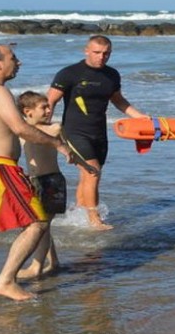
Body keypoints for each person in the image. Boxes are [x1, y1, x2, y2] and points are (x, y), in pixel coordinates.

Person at [0, 44, 71, 301]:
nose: (18, 63)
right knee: (38, 221)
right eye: (13, 58)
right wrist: (57, 143)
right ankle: (6, 281)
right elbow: (20, 128)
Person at [48, 35, 148, 230]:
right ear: (86, 50)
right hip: (74, 131)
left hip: (99, 133)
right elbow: (50, 101)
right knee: (93, 172)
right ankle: (94, 220)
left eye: (106, 53)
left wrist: (140, 117)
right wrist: (44, 129)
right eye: (97, 53)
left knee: (88, 175)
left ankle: (77, 215)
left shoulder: (112, 75)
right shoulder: (69, 73)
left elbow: (119, 101)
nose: (102, 57)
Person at [16, 91, 67, 279]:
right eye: (43, 107)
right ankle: (53, 262)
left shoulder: (53, 128)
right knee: (42, 226)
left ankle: (36, 267)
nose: (48, 110)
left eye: (48, 106)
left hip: (51, 181)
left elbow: (46, 133)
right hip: (33, 181)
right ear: (28, 111)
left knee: (41, 225)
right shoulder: (21, 130)